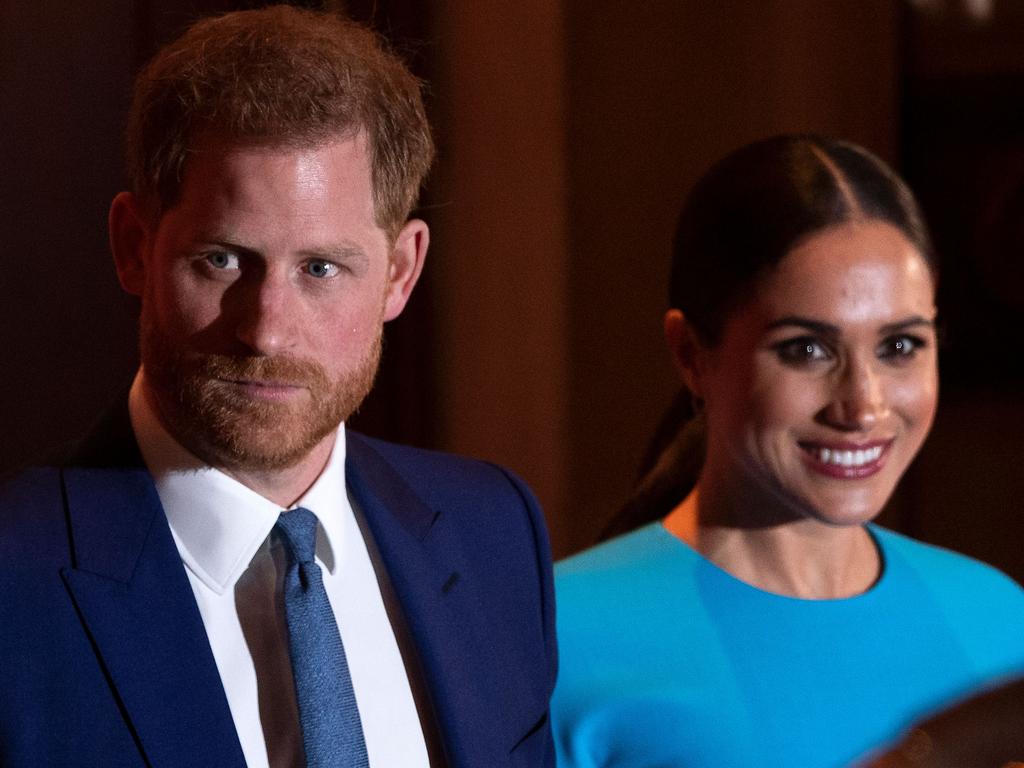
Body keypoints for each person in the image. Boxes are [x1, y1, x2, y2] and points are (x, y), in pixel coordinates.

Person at [0, 7, 556, 768]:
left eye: (320, 269)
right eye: (223, 261)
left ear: (400, 271)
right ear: (135, 248)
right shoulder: (14, 579)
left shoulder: (494, 533)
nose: (265, 330)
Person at [551, 135, 1024, 768]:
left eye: (901, 346)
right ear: (691, 353)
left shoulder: (998, 622)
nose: (863, 406)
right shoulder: (558, 641)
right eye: (806, 350)